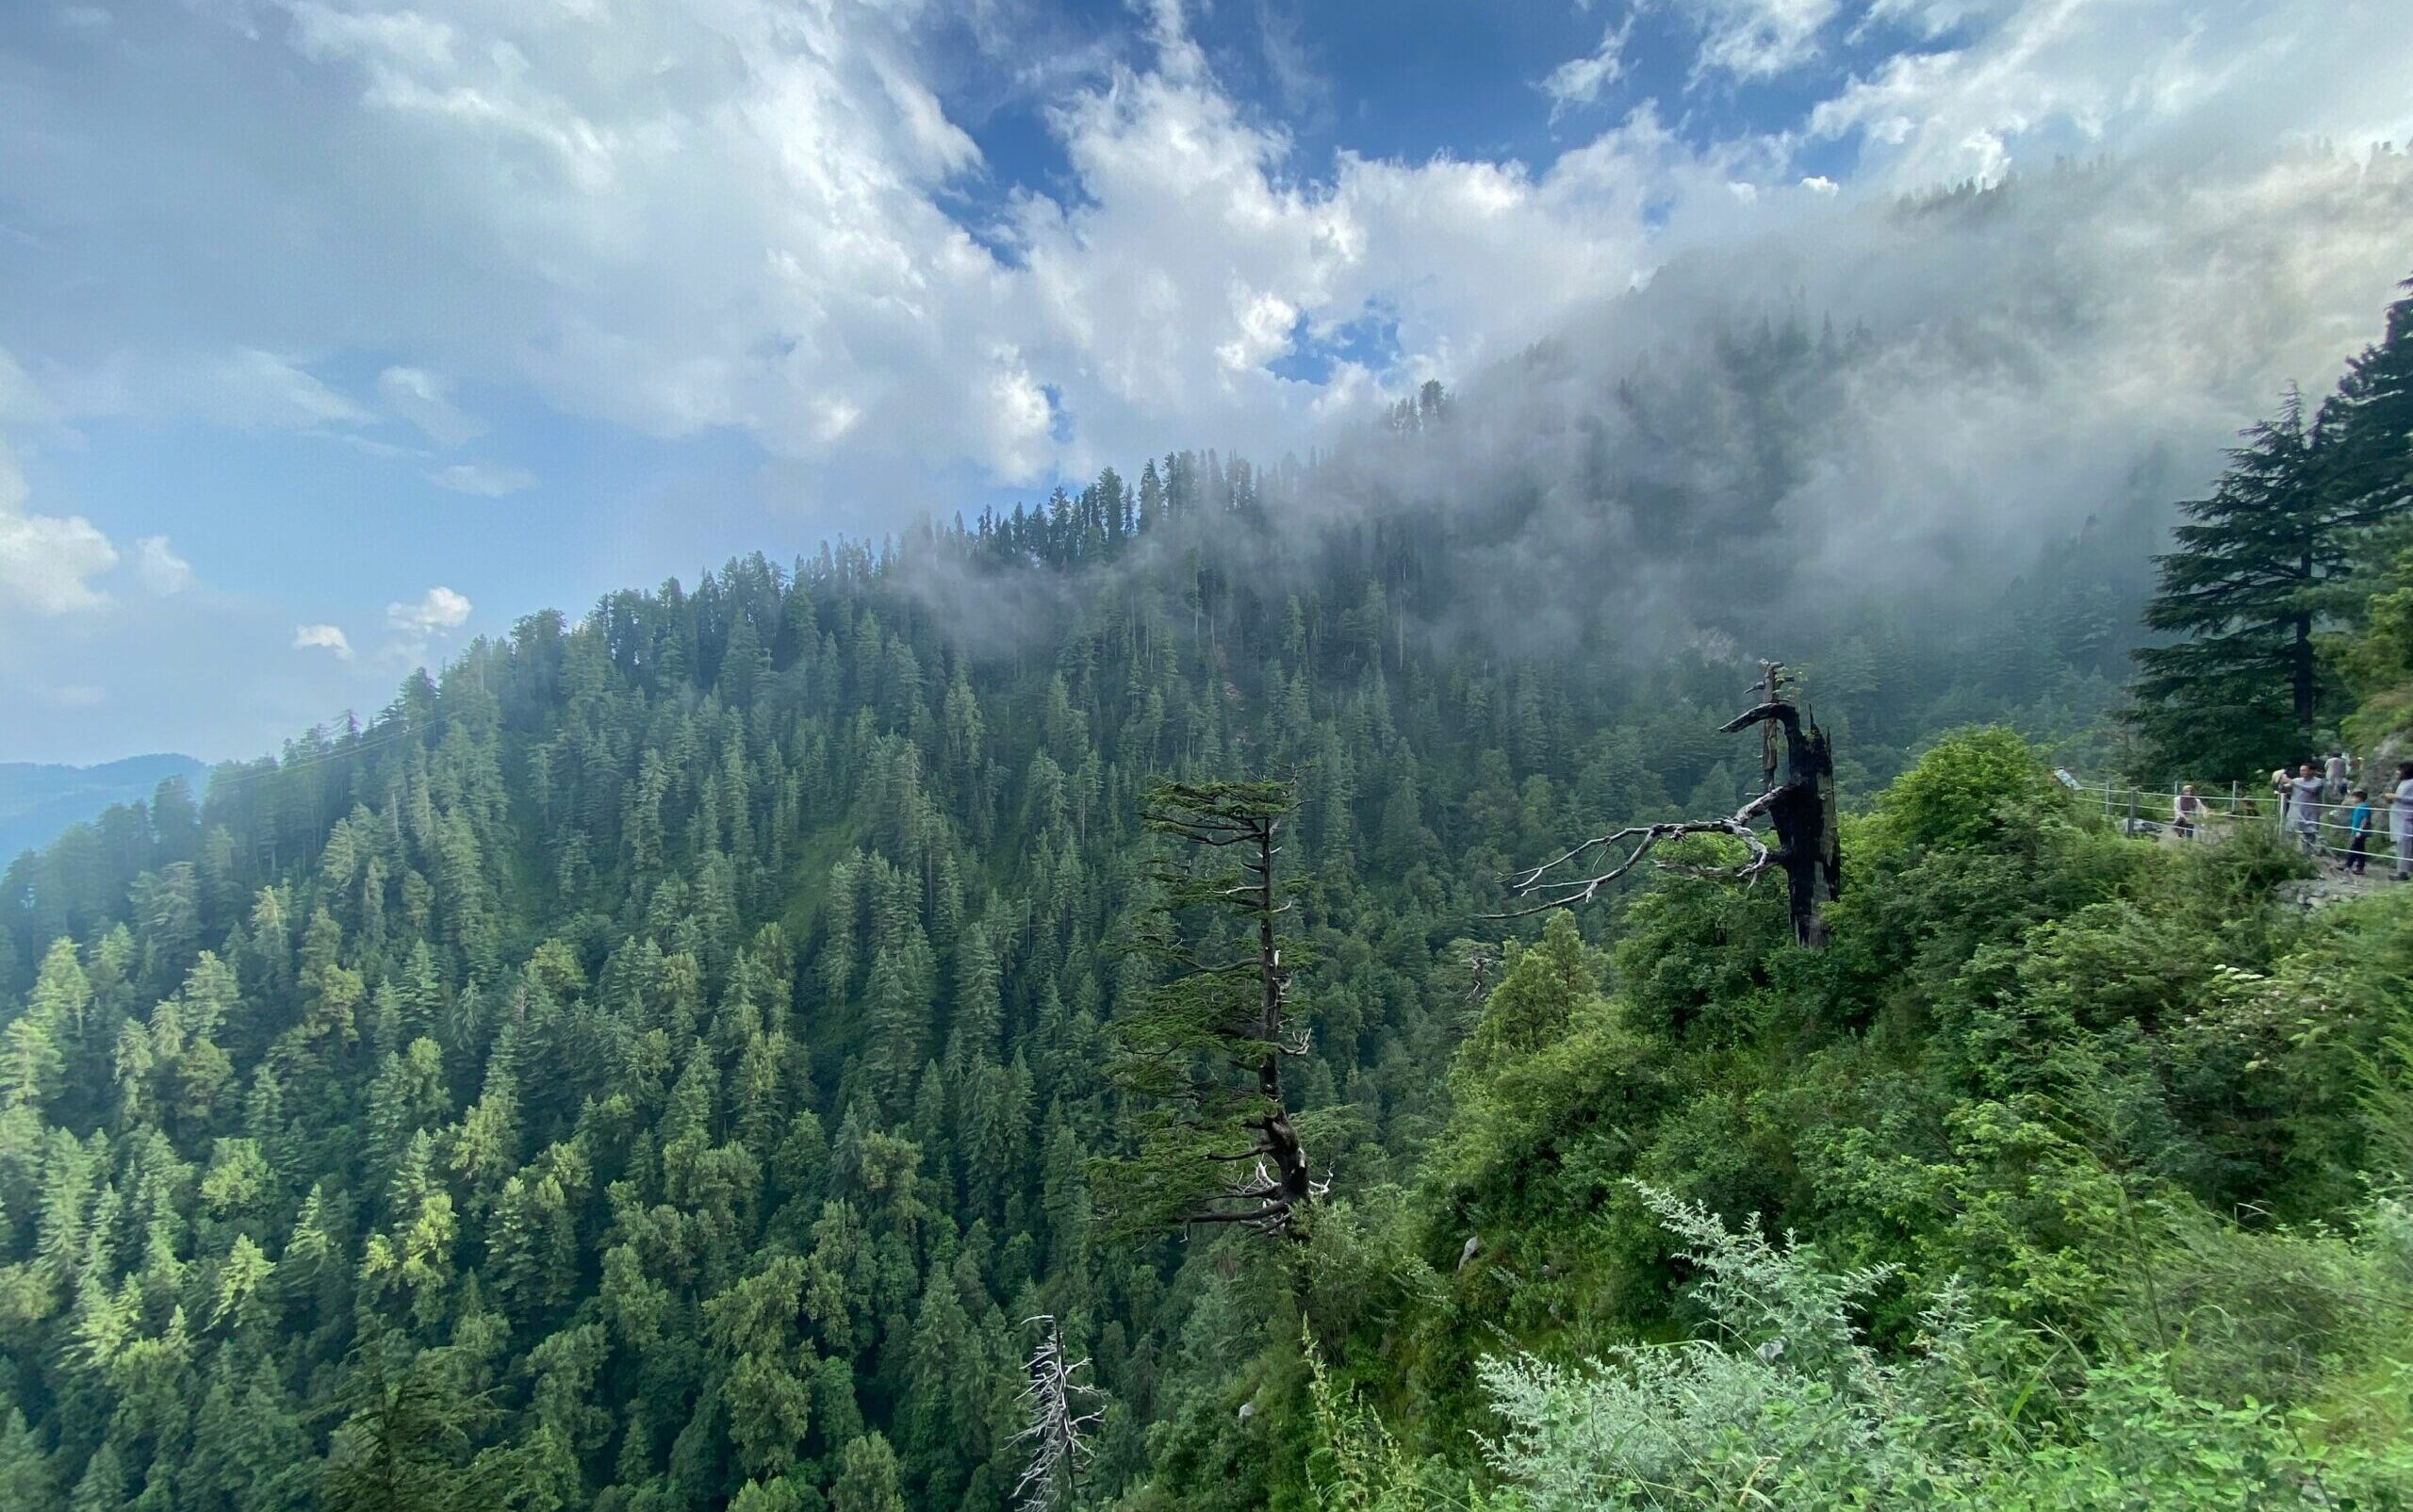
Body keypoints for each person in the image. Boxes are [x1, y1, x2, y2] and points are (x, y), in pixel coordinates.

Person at [2291, 762, 2326, 854]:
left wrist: (2295, 784)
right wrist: (2282, 783)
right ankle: (2302, 852)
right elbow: (2285, 789)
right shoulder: (2296, 780)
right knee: (2299, 832)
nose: (2302, 772)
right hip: (2298, 810)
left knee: (2311, 832)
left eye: (2304, 770)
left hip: (2312, 810)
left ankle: (2309, 852)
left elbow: (2313, 791)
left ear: (2312, 771)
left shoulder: (2319, 781)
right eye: (2301, 770)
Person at [2344, 789, 2373, 875]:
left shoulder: (2363, 806)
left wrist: (2360, 830)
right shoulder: (2359, 806)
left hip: (2361, 831)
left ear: (2359, 798)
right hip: (2359, 831)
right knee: (2360, 849)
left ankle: (2348, 865)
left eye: (2354, 797)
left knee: (2354, 848)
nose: (2353, 799)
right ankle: (2360, 867)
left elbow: (2364, 819)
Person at [2394, 761, 2413, 882]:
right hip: (2398, 818)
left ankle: (2403, 872)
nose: (2398, 772)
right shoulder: (2403, 782)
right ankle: (2400, 871)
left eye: (2400, 770)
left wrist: (2396, 797)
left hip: (2407, 818)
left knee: (2405, 844)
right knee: (2400, 845)